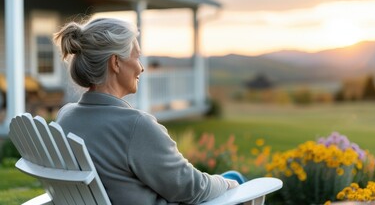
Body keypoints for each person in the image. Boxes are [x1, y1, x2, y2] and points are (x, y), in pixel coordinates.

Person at [53, 18, 239, 205]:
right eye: (137, 57)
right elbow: (191, 189)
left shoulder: (66, 116)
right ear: (116, 62)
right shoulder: (135, 126)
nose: (141, 68)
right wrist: (229, 183)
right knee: (235, 178)